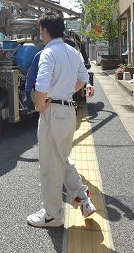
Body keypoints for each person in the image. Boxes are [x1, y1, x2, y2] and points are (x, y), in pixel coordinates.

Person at [27, 12, 95, 228]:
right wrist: (65, 92)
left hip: (53, 112)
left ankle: (52, 215)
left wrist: (40, 104)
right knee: (61, 158)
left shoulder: (48, 53)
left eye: (40, 31)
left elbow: (41, 84)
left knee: (49, 165)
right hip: (68, 111)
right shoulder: (73, 51)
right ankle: (82, 198)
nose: (40, 35)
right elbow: (83, 79)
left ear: (45, 31)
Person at [24, 38, 94, 111]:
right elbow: (32, 77)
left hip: (53, 104)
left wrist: (31, 98)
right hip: (63, 105)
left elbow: (82, 73)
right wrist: (28, 94)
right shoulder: (44, 54)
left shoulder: (72, 55)